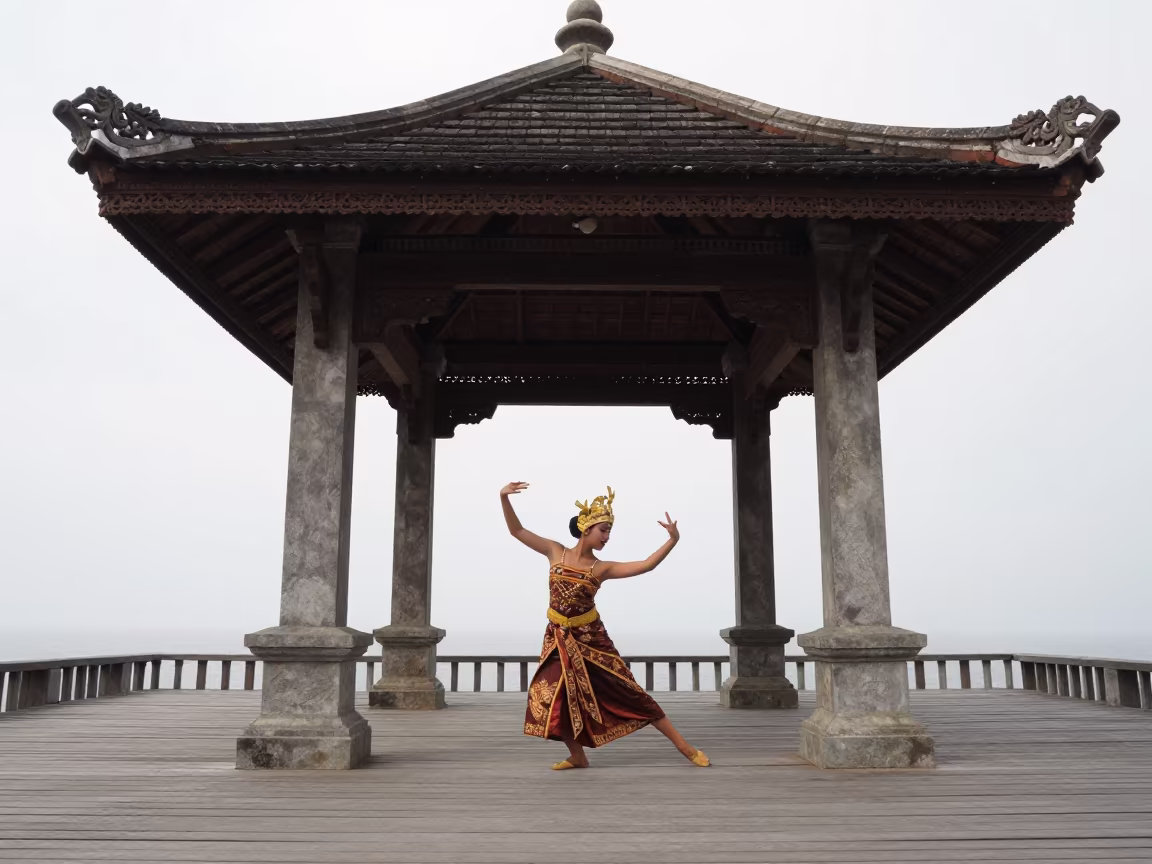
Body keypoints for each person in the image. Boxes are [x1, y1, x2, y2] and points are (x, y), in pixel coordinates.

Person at [500, 482, 710, 770]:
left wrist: (672, 540)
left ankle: (686, 749)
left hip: (591, 639)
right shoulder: (554, 552)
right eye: (604, 530)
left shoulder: (601, 568)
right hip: (558, 637)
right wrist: (504, 498)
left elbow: (646, 565)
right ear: (586, 528)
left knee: (629, 691)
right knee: (551, 694)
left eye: (609, 531)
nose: (607, 537)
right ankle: (577, 756)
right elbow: (517, 531)